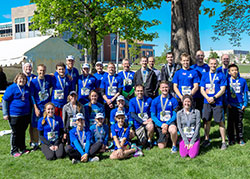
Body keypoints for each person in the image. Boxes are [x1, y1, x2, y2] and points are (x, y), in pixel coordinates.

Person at [200, 58, 227, 150]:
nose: (213, 65)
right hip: (206, 102)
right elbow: (202, 89)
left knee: (220, 121)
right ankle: (207, 139)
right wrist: (207, 98)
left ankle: (223, 141)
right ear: (208, 64)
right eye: (211, 64)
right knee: (206, 121)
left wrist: (214, 97)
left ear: (217, 64)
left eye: (215, 64)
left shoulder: (221, 75)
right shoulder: (205, 75)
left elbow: (223, 89)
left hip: (218, 102)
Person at [2, 73, 31, 157]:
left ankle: (22, 148)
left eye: (24, 79)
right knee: (15, 132)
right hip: (14, 114)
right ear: (16, 79)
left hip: (25, 114)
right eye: (20, 79)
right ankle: (14, 150)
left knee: (22, 132)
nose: (22, 80)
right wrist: (5, 113)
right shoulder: (12, 88)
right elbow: (5, 101)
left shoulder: (27, 88)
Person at [150, 81, 178, 153]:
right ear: (160, 88)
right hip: (160, 124)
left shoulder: (173, 100)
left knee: (173, 129)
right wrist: (161, 125)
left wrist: (167, 124)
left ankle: (174, 146)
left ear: (169, 88)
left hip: (170, 122)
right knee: (161, 146)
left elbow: (175, 115)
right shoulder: (155, 100)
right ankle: (167, 137)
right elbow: (153, 115)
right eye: (163, 87)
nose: (164, 89)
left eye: (166, 87)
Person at [30, 64, 53, 150]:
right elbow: (32, 96)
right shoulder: (34, 82)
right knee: (36, 125)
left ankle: (45, 141)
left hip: (47, 107)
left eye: (43, 70)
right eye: (40, 70)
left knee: (47, 124)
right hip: (38, 107)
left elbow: (55, 75)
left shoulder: (48, 79)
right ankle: (36, 143)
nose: (41, 72)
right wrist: (35, 108)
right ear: (37, 71)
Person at [227, 64, 248, 146]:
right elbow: (225, 93)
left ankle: (240, 138)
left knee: (239, 123)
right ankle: (231, 139)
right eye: (232, 70)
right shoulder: (228, 81)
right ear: (229, 72)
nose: (234, 72)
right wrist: (227, 102)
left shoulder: (243, 81)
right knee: (230, 123)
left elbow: (246, 92)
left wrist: (245, 103)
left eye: (236, 70)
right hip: (231, 105)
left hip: (240, 105)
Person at [129, 84, 154, 149]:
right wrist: (142, 122)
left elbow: (153, 111)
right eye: (138, 91)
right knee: (142, 142)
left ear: (143, 91)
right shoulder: (132, 101)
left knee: (150, 126)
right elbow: (132, 114)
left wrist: (151, 118)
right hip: (138, 124)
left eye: (141, 91)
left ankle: (150, 141)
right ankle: (140, 141)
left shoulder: (149, 100)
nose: (139, 92)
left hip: (147, 122)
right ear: (135, 92)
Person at [190, 50, 210, 115]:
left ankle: (204, 124)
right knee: (194, 112)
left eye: (202, 55)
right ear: (195, 57)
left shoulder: (207, 67)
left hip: (204, 94)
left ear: (204, 56)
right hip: (194, 93)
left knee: (204, 113)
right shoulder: (192, 68)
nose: (200, 57)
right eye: (198, 55)